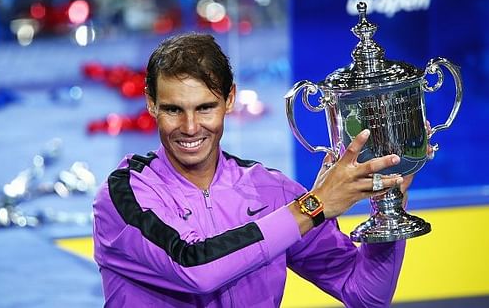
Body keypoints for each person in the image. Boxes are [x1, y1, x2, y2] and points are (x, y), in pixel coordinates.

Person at [93, 33, 413, 307]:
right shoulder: (125, 195)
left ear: (229, 100)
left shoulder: (272, 192)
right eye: (174, 109)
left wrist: (390, 204)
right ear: (151, 104)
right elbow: (195, 267)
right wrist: (312, 207)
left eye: (205, 107)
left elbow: (365, 294)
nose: (190, 127)